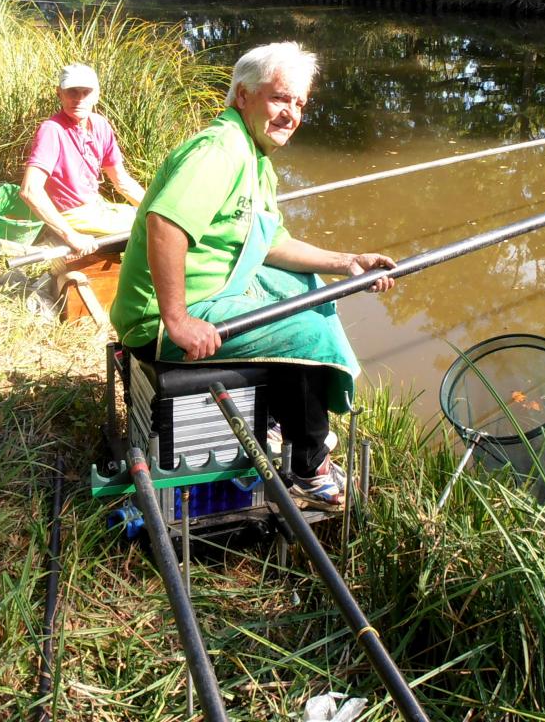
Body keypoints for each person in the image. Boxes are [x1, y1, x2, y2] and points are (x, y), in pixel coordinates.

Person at [109, 41, 395, 504]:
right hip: (157, 322)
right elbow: (165, 224)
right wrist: (179, 321)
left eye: (300, 104)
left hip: (214, 292)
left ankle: (285, 415)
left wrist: (348, 262)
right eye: (280, 98)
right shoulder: (220, 150)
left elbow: (272, 244)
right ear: (243, 95)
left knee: (308, 290)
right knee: (305, 329)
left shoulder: (255, 159)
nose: (292, 114)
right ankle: (307, 464)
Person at [20, 64, 145, 257]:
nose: (78, 99)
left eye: (86, 92)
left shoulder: (101, 126)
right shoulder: (52, 130)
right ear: (59, 93)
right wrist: (71, 236)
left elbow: (122, 182)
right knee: (147, 226)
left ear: (97, 95)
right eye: (71, 91)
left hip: (96, 207)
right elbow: (30, 191)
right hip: (72, 216)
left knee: (152, 218)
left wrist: (153, 207)